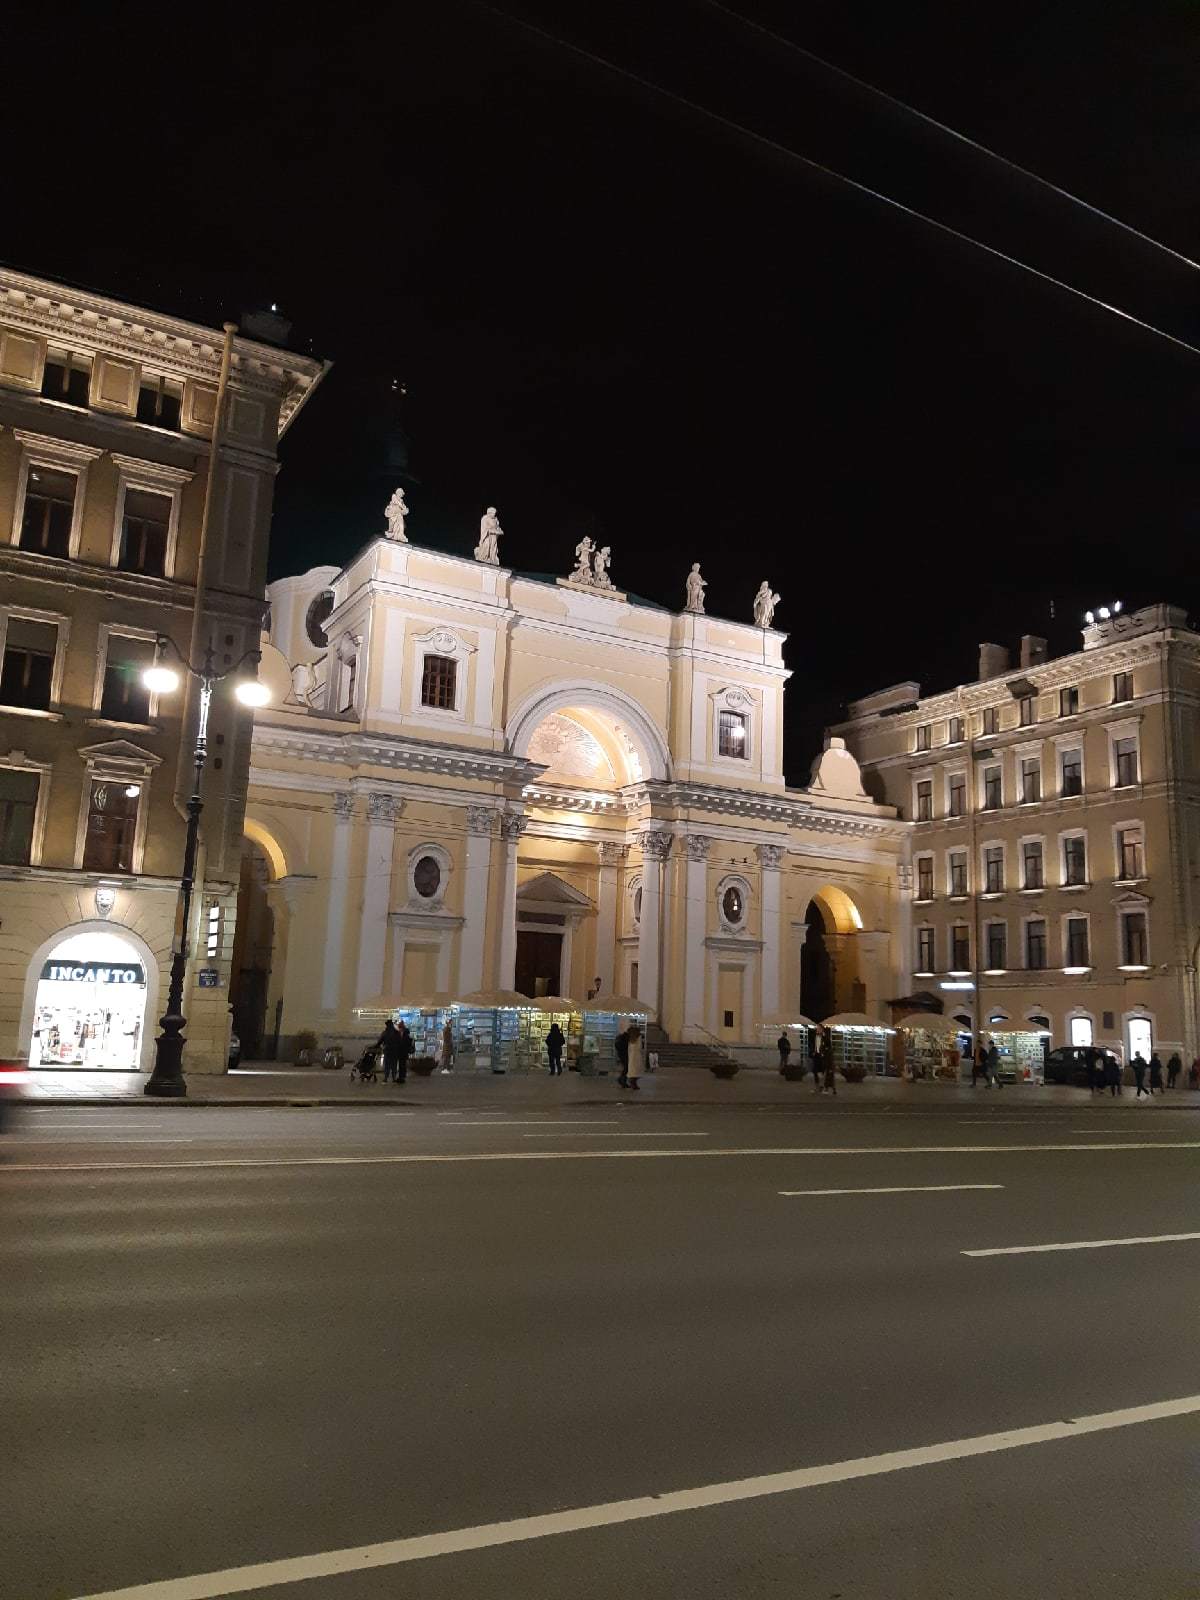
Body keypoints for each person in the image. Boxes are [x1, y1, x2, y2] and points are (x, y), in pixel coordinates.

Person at [376, 1019, 403, 1084]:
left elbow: (380, 1041)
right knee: (394, 1065)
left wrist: (376, 1046)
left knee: (387, 1065)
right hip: (395, 1051)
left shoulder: (385, 1033)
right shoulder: (397, 1033)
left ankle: (386, 1078)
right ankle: (393, 1078)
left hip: (387, 1051)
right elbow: (400, 1042)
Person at [625, 1024, 644, 1091]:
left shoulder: (630, 1039)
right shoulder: (638, 1037)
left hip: (631, 1055)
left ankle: (632, 1083)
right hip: (637, 1055)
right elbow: (639, 1047)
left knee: (632, 1069)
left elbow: (629, 1048)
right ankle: (634, 1083)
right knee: (636, 1070)